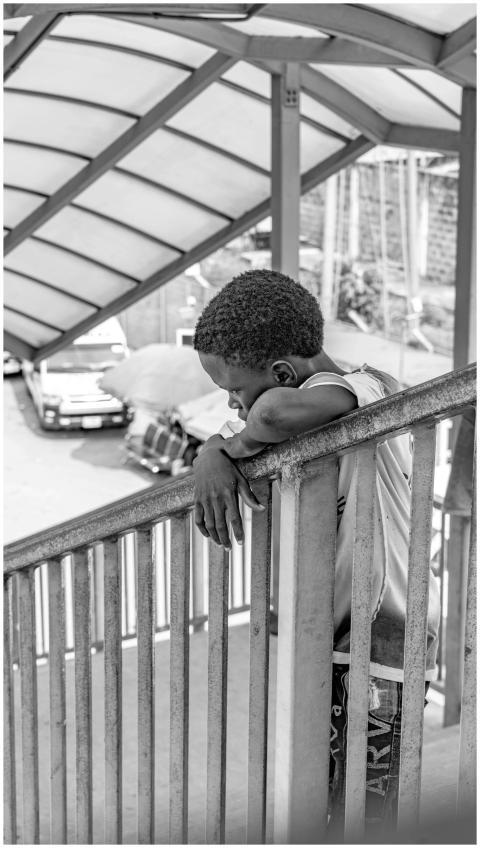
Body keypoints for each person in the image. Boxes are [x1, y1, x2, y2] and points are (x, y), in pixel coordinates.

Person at [192, 268, 440, 836]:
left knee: (370, 817)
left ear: (282, 374)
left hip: (386, 645)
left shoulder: (370, 387)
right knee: (325, 803)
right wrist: (212, 451)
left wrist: (233, 443)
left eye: (235, 390)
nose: (232, 403)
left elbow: (270, 415)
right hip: (332, 642)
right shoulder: (304, 403)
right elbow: (254, 420)